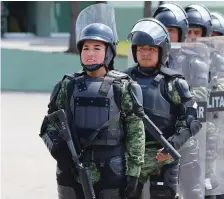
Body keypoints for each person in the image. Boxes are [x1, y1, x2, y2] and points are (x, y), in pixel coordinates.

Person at [39, 21, 146, 199]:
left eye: (97, 48)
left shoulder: (123, 86)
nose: (90, 54)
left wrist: (134, 171)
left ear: (109, 52)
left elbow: (136, 130)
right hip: (71, 171)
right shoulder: (67, 85)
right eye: (86, 48)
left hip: (111, 170)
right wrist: (59, 151)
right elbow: (48, 126)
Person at [124, 18, 201, 199]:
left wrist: (172, 145)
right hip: (131, 158)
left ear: (162, 51)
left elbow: (192, 120)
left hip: (163, 157)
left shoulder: (174, 83)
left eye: (151, 49)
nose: (146, 53)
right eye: (141, 49)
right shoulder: (122, 81)